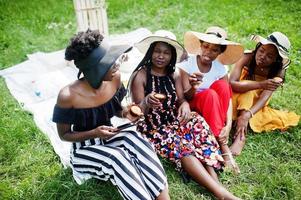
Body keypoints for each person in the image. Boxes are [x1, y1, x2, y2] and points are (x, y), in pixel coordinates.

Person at [52, 29, 170, 200]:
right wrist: (94, 133)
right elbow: (64, 135)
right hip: (84, 148)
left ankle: (163, 196)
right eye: (110, 62)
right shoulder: (68, 96)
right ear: (94, 68)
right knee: (118, 158)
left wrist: (126, 112)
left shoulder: (114, 78)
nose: (117, 64)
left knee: (136, 138)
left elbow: (116, 109)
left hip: (108, 135)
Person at [129, 30, 240, 200]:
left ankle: (216, 183)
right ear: (151, 52)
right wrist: (146, 102)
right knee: (184, 147)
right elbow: (137, 113)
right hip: (154, 127)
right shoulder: (141, 75)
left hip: (174, 120)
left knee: (198, 126)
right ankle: (220, 193)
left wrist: (186, 105)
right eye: (157, 51)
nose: (161, 56)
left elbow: (182, 99)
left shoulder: (174, 74)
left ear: (172, 56)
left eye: (166, 53)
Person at [178, 26, 244, 173]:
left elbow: (227, 98)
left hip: (214, 108)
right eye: (206, 46)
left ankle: (219, 133)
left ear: (220, 52)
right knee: (210, 94)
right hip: (193, 104)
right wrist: (194, 86)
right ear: (200, 45)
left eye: (214, 50)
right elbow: (185, 97)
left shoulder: (220, 68)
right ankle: (223, 146)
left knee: (222, 86)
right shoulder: (187, 64)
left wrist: (228, 125)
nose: (208, 52)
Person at [229, 32, 300, 156]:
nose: (262, 56)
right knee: (247, 91)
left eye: (270, 56)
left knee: (250, 94)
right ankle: (239, 129)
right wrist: (260, 84)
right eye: (261, 50)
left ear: (276, 60)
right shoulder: (247, 56)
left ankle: (240, 136)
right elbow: (231, 83)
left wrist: (247, 115)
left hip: (255, 104)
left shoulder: (278, 72)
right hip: (236, 93)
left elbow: (264, 98)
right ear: (258, 46)